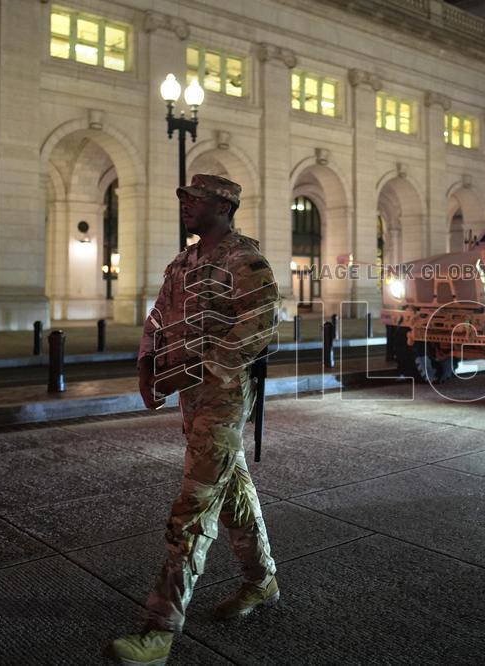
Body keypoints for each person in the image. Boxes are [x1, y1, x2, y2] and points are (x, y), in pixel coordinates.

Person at [113, 174, 280, 666]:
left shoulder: (244, 260)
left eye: (196, 199)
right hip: (191, 398)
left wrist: (203, 367)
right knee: (231, 491)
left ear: (224, 207)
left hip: (224, 397)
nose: (186, 205)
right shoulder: (182, 263)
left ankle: (159, 629)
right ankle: (260, 580)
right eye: (183, 198)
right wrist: (148, 364)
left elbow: (262, 323)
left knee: (194, 505)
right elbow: (159, 318)